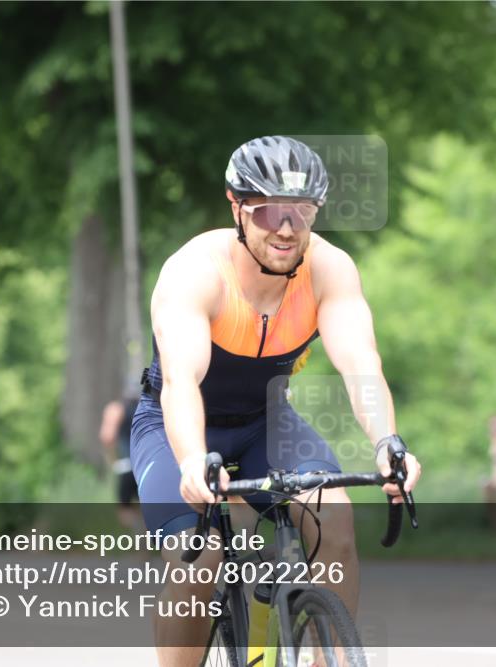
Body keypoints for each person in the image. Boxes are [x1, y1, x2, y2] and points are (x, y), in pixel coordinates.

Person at [130, 135, 421, 666]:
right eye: (267, 212)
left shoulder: (330, 269)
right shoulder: (195, 272)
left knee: (334, 520)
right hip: (177, 425)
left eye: (302, 211)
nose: (286, 228)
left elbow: (360, 365)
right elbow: (181, 382)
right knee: (202, 561)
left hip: (267, 422)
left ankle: (324, 659)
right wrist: (193, 462)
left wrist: (386, 442)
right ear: (236, 205)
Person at [99, 395, 142, 529]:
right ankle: (151, 539)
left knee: (125, 509)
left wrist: (112, 461)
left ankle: (139, 538)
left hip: (126, 465)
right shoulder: (152, 406)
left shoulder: (116, 409)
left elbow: (107, 437)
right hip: (147, 465)